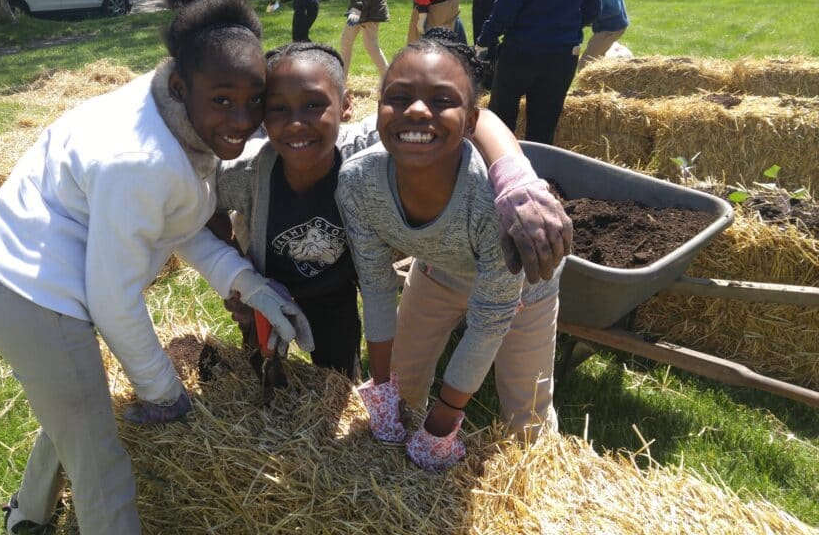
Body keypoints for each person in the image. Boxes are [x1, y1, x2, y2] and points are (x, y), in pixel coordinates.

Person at [0, 0, 313, 535]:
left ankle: (27, 517)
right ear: (182, 87)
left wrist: (248, 283)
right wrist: (162, 390)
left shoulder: (174, 110)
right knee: (100, 463)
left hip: (43, 281)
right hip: (32, 293)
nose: (242, 120)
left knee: (73, 408)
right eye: (223, 100)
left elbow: (176, 225)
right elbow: (112, 297)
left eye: (254, 100)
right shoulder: (141, 159)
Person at [214, 42, 566, 383]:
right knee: (261, 370)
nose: (296, 123)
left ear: (346, 105)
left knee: (336, 381)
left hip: (332, 292)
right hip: (267, 288)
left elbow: (479, 116)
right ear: (262, 116)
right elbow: (202, 205)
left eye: (314, 105)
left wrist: (515, 180)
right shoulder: (246, 176)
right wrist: (237, 273)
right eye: (279, 109)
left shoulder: (365, 149)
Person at [337, 28, 564, 472]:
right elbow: (378, 288)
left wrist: (444, 421)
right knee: (404, 385)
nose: (418, 110)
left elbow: (491, 318)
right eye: (399, 97)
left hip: (522, 289)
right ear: (378, 107)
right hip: (441, 268)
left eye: (442, 101)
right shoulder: (359, 183)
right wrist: (382, 388)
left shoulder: (492, 207)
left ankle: (537, 476)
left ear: (470, 121)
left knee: (527, 413)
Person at [476, 0, 600, 145]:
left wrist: (485, 39)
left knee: (500, 122)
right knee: (544, 128)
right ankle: (537, 170)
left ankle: (497, 169)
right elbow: (593, 10)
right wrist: (566, 24)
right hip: (563, 52)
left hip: (522, 48)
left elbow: (507, 4)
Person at [340, 0, 389, 76]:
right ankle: (341, 83)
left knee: (371, 45)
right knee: (346, 42)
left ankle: (389, 81)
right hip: (359, 7)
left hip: (370, 8)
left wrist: (357, 8)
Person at [579, 0, 629, 70]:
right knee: (598, 61)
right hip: (610, 27)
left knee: (584, 64)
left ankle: (586, 85)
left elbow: (614, 8)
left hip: (610, 28)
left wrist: (593, 17)